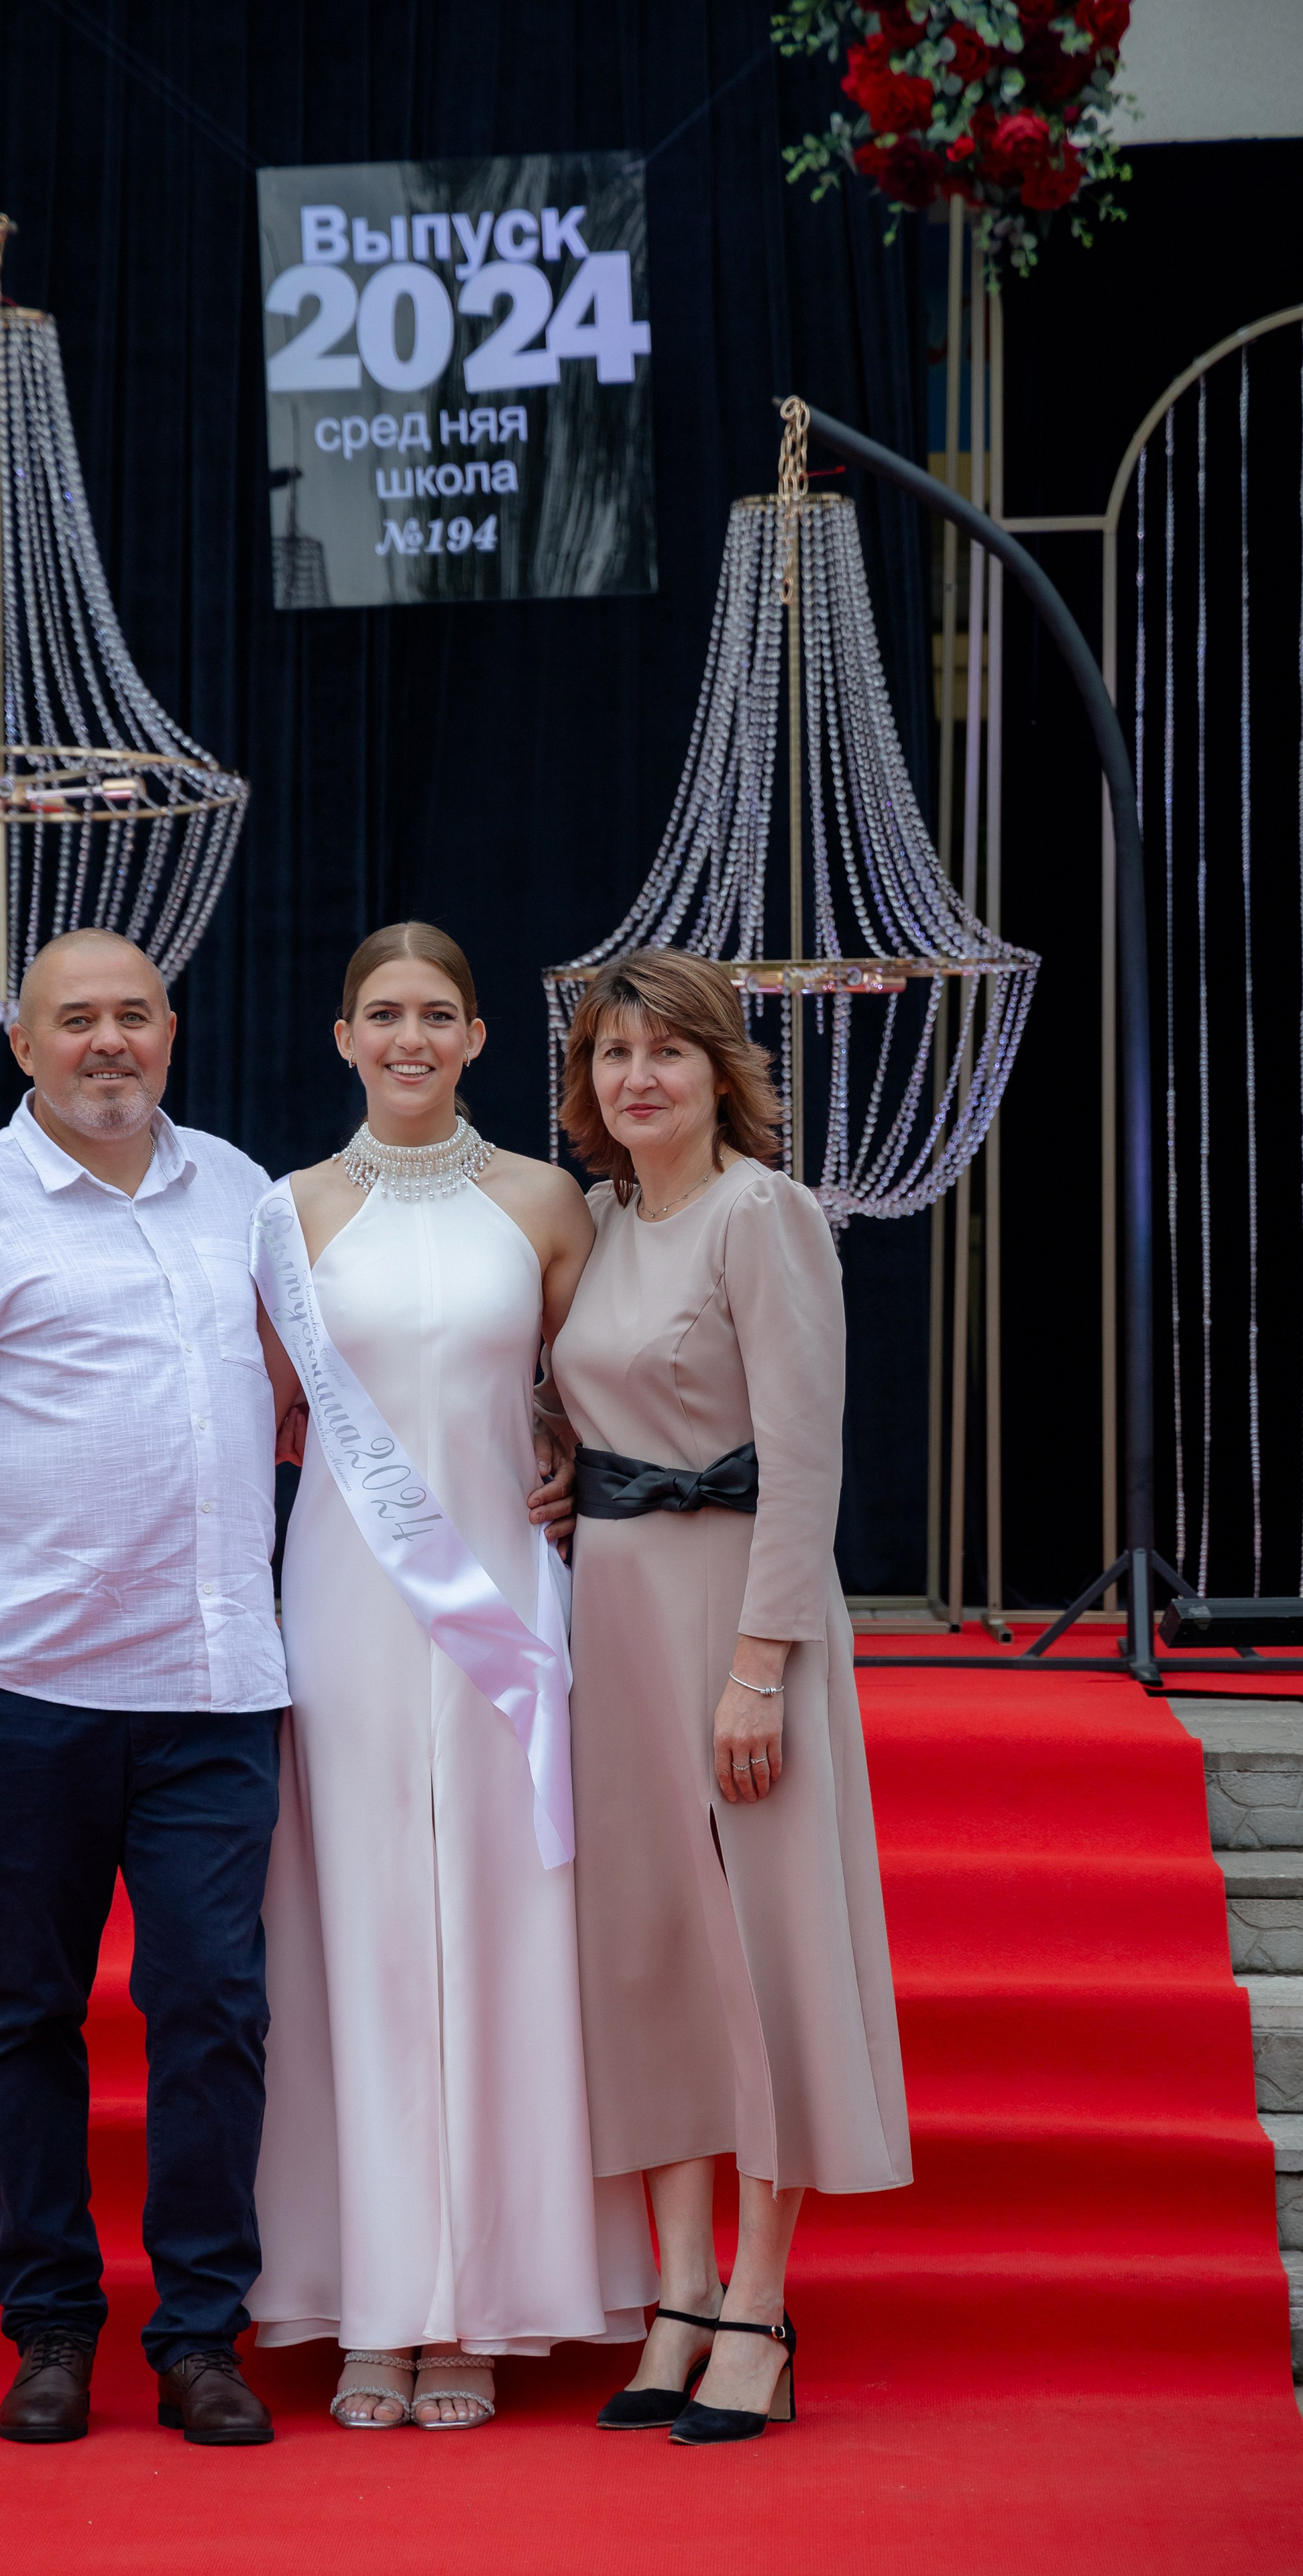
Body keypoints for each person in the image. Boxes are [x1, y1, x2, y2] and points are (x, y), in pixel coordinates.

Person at [0, 926, 300, 2451]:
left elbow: (310, 1404)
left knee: (212, 2009)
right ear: (22, 1043)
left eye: (132, 1016)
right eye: (76, 1021)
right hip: (30, 1688)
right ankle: (50, 2328)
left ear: (171, 1030)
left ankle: (197, 2338)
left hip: (219, 1685)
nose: (108, 1042)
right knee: (30, 2011)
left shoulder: (245, 1192)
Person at [247, 921, 656, 2428]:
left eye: (436, 1014)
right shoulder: (284, 1214)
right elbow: (273, 1417)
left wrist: (556, 1456)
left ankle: (480, 2301)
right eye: (380, 1015)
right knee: (351, 1937)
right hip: (344, 1610)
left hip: (500, 1608)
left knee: (500, 1933)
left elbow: (594, 1388)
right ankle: (372, 2302)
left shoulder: (548, 1202)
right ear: (340, 1036)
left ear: (478, 1038)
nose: (408, 1038)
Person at [548, 948, 911, 2448]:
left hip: (735, 1622)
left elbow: (804, 1452)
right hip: (613, 1616)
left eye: (666, 1053)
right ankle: (676, 2292)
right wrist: (556, 1487)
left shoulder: (765, 1215)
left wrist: (760, 1665)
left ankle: (760, 2304)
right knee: (642, 1956)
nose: (636, 1078)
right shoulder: (599, 1222)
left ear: (717, 1073)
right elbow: (587, 1409)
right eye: (611, 1054)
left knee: (757, 1958)